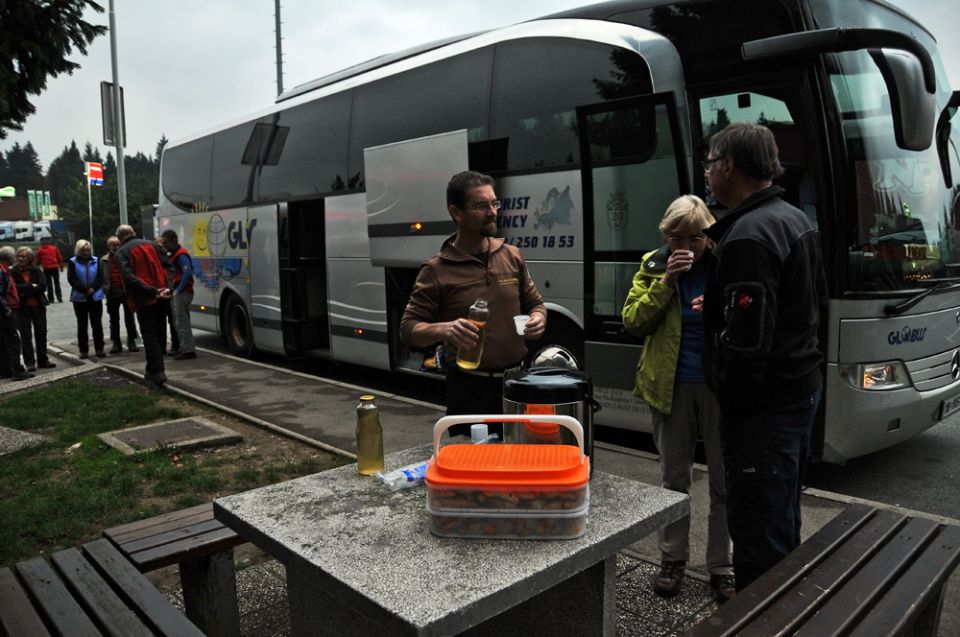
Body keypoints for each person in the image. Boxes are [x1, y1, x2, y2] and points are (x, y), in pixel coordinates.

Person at [701, 123, 827, 591]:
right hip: (798, 394)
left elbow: (747, 347)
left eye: (711, 163)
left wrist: (731, 404)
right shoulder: (794, 217)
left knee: (758, 537)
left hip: (762, 413)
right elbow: (809, 304)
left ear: (729, 165)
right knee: (782, 518)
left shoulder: (748, 236)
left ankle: (764, 619)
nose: (708, 174)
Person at [622, 195, 734, 603]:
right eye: (677, 237)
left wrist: (717, 310)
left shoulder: (726, 264)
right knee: (674, 481)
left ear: (710, 233)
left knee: (724, 480)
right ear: (665, 236)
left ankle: (722, 566)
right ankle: (673, 560)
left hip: (717, 385)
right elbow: (633, 322)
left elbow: (747, 314)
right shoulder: (653, 265)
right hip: (669, 386)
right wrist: (666, 284)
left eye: (696, 237)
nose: (687, 246)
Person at [399, 171, 546, 434]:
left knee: (522, 464)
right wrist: (445, 329)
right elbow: (408, 330)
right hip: (469, 391)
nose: (492, 212)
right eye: (481, 206)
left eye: (494, 203)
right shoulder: (436, 269)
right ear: (457, 213)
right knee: (475, 468)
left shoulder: (512, 256)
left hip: (517, 385)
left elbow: (535, 304)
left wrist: (538, 319)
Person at [115, 225, 173, 386]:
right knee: (160, 330)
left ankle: (156, 371)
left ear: (120, 238)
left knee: (149, 334)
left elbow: (129, 277)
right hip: (163, 295)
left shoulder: (121, 252)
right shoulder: (153, 245)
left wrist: (152, 291)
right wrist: (167, 288)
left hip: (145, 298)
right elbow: (168, 267)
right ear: (133, 233)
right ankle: (155, 367)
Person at [11, 247, 55, 371]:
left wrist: (25, 290)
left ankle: (43, 360)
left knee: (41, 333)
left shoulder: (36, 270)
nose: (20, 258)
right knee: (25, 335)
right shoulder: (13, 271)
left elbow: (42, 286)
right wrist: (31, 286)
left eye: (23, 256)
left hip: (38, 306)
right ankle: (29, 362)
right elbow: (14, 288)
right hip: (22, 308)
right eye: (18, 256)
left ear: (29, 258)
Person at [159, 229, 196, 360]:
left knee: (181, 322)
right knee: (178, 322)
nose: (165, 246)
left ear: (174, 240)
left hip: (182, 292)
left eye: (166, 243)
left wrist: (178, 290)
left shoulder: (181, 255)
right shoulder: (175, 254)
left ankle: (188, 350)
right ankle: (184, 347)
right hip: (179, 291)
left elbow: (187, 273)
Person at [67, 239, 107, 359]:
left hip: (95, 297)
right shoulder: (72, 262)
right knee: (82, 325)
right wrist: (85, 289)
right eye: (83, 250)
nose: (86, 253)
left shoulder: (96, 260)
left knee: (97, 324)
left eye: (88, 250)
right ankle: (83, 350)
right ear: (78, 251)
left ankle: (99, 348)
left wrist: (93, 288)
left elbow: (100, 277)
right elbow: (72, 279)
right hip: (79, 298)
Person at [101, 235, 140, 354]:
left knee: (130, 318)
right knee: (114, 319)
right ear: (109, 247)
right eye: (113, 245)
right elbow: (101, 276)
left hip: (126, 291)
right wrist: (104, 289)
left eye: (118, 244)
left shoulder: (125, 257)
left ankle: (131, 341)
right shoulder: (104, 260)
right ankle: (116, 343)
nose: (116, 247)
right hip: (112, 291)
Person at [0, 245, 34, 380]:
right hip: (6, 311)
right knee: (13, 340)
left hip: (5, 310)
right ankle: (17, 371)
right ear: (9, 258)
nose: (16, 258)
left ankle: (5, 370)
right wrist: (6, 310)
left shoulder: (4, 270)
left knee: (3, 341)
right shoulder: (2, 272)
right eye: (14, 255)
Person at [154, 236, 180, 356]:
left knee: (172, 321)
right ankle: (161, 347)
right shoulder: (154, 260)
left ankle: (175, 345)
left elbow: (172, 275)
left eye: (163, 246)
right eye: (159, 246)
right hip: (159, 294)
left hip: (169, 292)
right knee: (160, 322)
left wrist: (170, 289)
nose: (161, 248)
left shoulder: (170, 259)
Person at [35, 237, 65, 303]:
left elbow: (38, 260)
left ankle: (51, 299)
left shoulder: (40, 250)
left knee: (49, 283)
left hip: (46, 268)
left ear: (42, 243)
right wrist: (61, 266)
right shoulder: (54, 248)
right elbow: (59, 257)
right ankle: (59, 297)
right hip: (55, 267)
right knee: (57, 283)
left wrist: (36, 266)